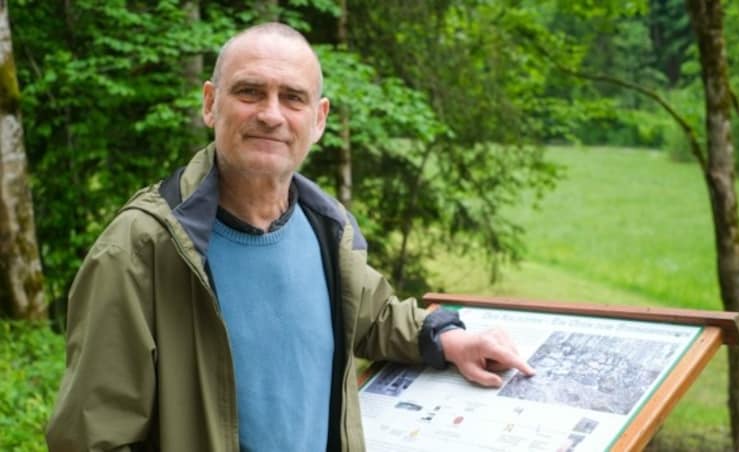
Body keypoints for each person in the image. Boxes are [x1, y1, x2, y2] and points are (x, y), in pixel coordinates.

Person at [46, 22, 534, 452]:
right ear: (211, 105)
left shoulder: (327, 228)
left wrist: (449, 339)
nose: (271, 114)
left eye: (292, 97)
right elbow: (90, 438)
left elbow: (371, 316)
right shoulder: (142, 248)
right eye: (250, 92)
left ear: (318, 119)